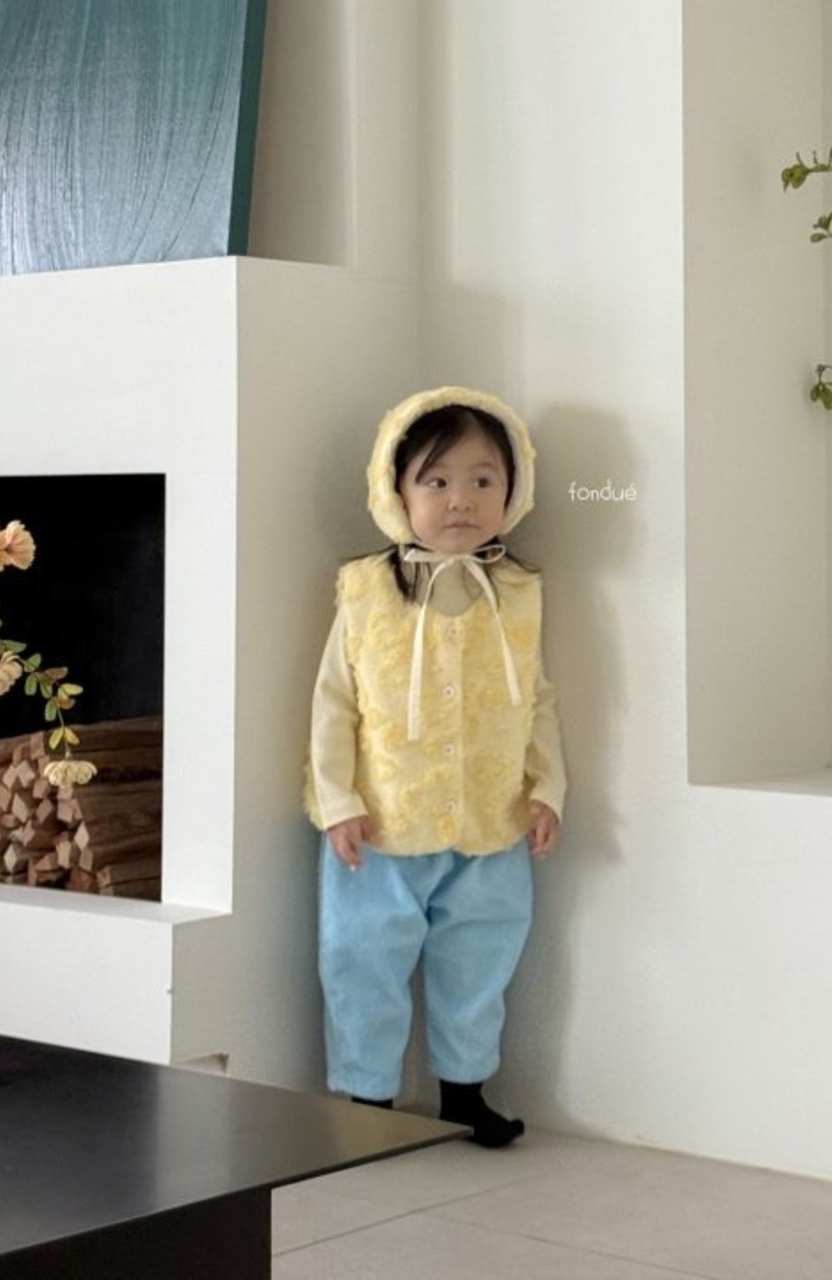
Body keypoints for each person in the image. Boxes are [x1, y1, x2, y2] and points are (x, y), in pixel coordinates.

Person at [305, 386, 566, 1148]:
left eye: (484, 480)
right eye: (438, 480)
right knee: (363, 959)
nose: (461, 500)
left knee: (481, 959)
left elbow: (537, 700)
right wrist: (337, 799)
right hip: (379, 827)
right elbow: (333, 702)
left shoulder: (517, 593)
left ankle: (465, 1092)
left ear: (513, 492)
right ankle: (366, 1101)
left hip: (492, 821)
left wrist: (548, 788)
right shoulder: (366, 591)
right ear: (397, 491)